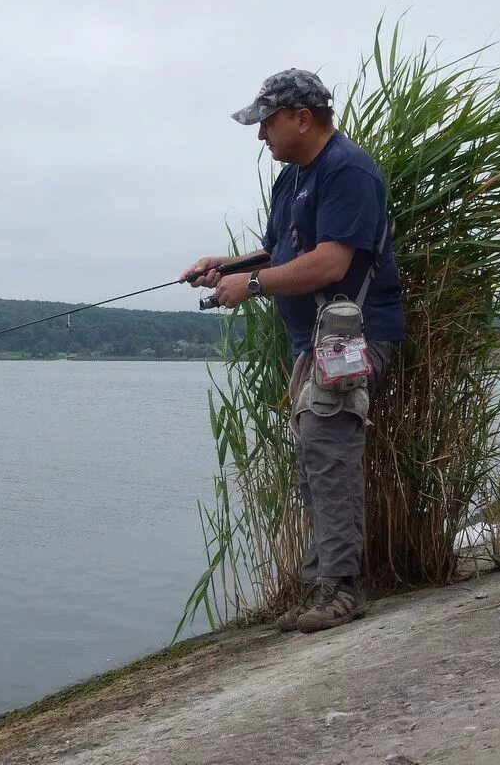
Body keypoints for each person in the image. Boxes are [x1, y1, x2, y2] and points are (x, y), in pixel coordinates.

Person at [181, 69, 405, 633]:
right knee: (314, 459)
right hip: (316, 343)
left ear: (303, 118)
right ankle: (320, 584)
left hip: (355, 338)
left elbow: (332, 262)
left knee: (329, 452)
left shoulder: (347, 170)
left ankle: (342, 590)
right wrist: (225, 267)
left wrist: (252, 286)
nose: (261, 136)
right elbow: (281, 252)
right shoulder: (294, 177)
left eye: (267, 123)